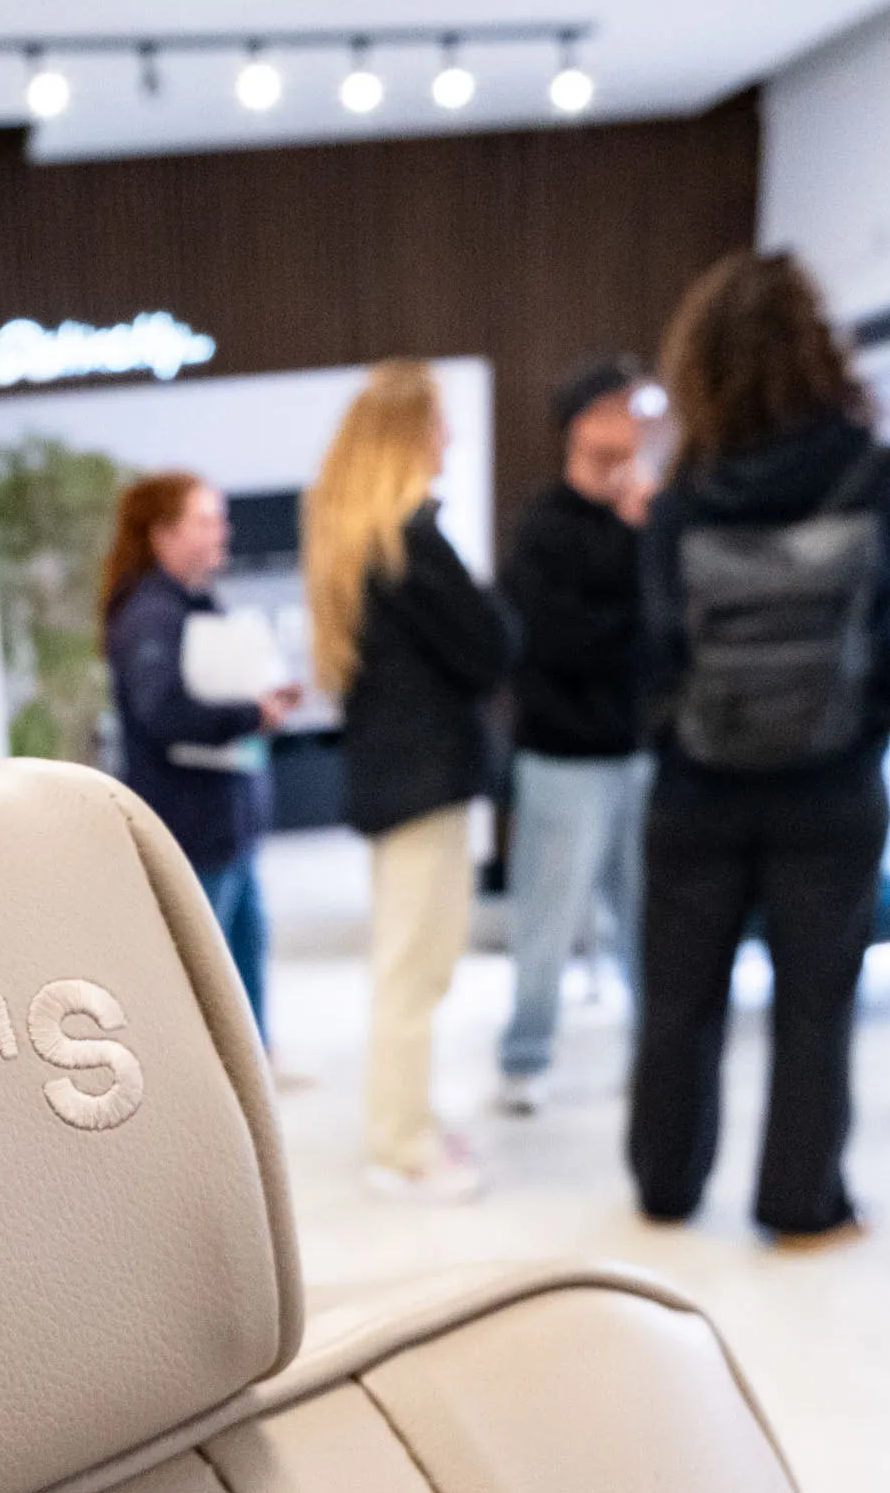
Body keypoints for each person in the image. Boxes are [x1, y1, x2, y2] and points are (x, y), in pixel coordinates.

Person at [628, 250, 890, 1249]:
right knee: (816, 1002)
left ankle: (667, 1188)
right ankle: (803, 1200)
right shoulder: (877, 475)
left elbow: (659, 641)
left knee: (678, 1000)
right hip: (833, 784)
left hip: (697, 783)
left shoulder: (683, 494)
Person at [308, 358, 515, 1203]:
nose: (449, 439)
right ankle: (402, 1147)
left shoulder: (360, 539)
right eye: (438, 423)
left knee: (413, 967)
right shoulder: (408, 541)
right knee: (413, 972)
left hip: (401, 780)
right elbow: (492, 647)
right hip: (423, 783)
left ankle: (408, 1127)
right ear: (407, 434)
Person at [493, 357, 657, 1116]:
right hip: (563, 757)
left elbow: (669, 622)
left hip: (640, 750)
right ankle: (524, 1060)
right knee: (548, 922)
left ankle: (658, 1055)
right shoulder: (543, 527)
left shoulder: (646, 521)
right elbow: (557, 639)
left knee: (651, 919)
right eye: (619, 409)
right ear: (582, 424)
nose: (634, 425)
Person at [99, 471, 299, 1035]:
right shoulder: (150, 617)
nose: (222, 532)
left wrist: (261, 704)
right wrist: (250, 715)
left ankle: (255, 1069)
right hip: (192, 830)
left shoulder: (195, 605)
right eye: (206, 520)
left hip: (226, 825)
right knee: (207, 984)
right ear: (163, 534)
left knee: (243, 961)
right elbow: (162, 712)